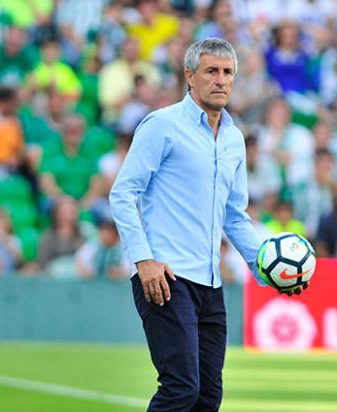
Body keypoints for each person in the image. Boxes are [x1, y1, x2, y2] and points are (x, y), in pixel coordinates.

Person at [109, 38, 308, 411]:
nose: (221, 80)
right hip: (166, 276)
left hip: (210, 283)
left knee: (206, 398)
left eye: (227, 72)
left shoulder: (234, 138)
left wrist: (267, 271)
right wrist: (143, 260)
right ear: (189, 76)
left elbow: (235, 215)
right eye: (211, 71)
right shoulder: (162, 125)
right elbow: (122, 194)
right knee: (180, 388)